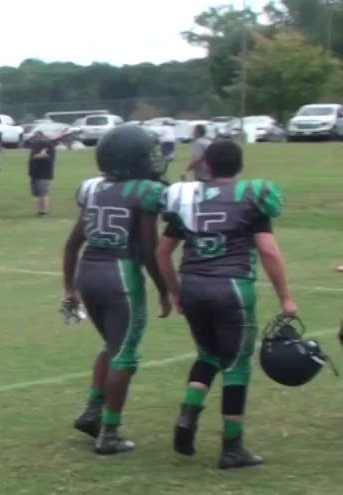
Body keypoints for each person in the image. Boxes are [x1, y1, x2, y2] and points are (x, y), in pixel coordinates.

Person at [155, 139, 293, 469]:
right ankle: (232, 447)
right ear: (240, 166)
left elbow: (162, 253)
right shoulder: (252, 198)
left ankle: (188, 415)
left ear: (208, 166)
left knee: (207, 354)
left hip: (192, 283)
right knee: (236, 365)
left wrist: (175, 291)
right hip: (231, 286)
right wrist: (286, 297)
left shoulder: (187, 199)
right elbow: (269, 251)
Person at [61, 124, 172, 455]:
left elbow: (71, 244)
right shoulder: (144, 192)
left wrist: (69, 288)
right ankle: (109, 432)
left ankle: (93, 411)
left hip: (88, 272)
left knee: (111, 346)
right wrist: (165, 289)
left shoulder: (93, 189)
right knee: (125, 353)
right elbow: (149, 248)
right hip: (120, 275)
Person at [26, 129, 57, 216]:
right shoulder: (36, 146)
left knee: (43, 193)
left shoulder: (47, 145)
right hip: (35, 173)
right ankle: (40, 210)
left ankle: (44, 211)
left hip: (44, 173)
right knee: (38, 193)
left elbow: (47, 158)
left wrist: (39, 156)